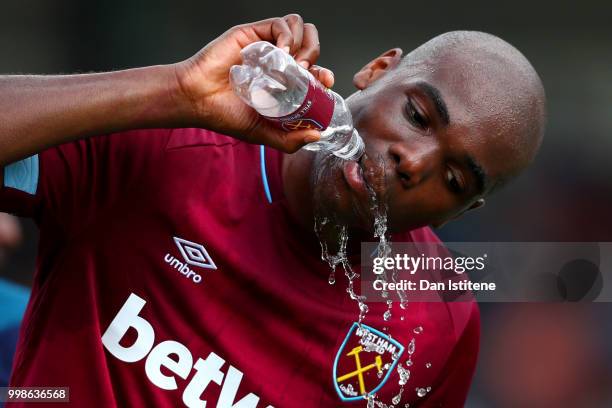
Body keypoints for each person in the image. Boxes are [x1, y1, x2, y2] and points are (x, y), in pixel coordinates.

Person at [0, 14, 545, 407]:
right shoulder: (166, 143)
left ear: (459, 211)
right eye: (418, 116)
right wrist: (175, 89)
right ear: (378, 71)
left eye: (452, 179)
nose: (412, 160)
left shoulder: (436, 319)